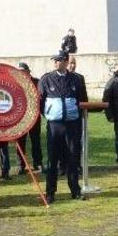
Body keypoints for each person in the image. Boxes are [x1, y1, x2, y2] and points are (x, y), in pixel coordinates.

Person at [39, 50, 88, 202]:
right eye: (54, 60)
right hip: (54, 125)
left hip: (72, 125)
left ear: (66, 61)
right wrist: (49, 113)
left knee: (73, 157)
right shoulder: (46, 79)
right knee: (52, 160)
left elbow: (83, 101)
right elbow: (40, 102)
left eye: (59, 60)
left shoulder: (77, 79)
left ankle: (75, 190)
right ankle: (50, 193)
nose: (55, 62)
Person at [15, 62, 44, 173]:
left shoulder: (36, 82)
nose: (21, 74)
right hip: (20, 118)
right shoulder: (15, 83)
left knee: (35, 141)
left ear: (28, 72)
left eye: (23, 71)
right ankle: (21, 165)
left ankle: (38, 163)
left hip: (34, 116)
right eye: (19, 72)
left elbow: (41, 98)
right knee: (20, 142)